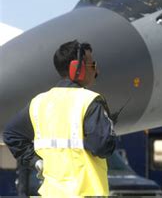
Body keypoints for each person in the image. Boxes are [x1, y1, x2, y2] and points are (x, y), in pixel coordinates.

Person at [3, 40, 117, 196]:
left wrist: (36, 161)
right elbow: (103, 147)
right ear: (78, 69)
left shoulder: (38, 102)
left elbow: (11, 134)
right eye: (92, 65)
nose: (96, 71)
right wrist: (108, 128)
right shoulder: (89, 101)